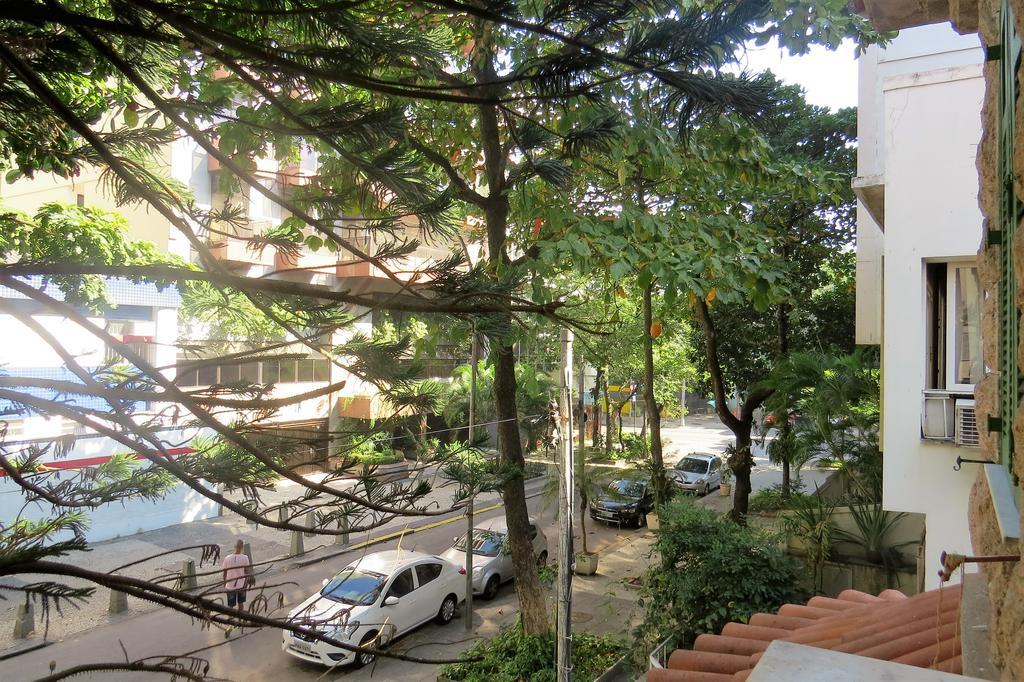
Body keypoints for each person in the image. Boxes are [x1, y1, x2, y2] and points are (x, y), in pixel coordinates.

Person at [222, 539, 251, 610]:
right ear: (242, 547)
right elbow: (247, 572)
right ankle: (241, 618)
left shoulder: (227, 558)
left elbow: (224, 573)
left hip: (230, 585)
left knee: (230, 606)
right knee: (241, 604)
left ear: (234, 546)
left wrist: (224, 584)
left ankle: (230, 619)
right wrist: (245, 585)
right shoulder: (245, 558)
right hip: (241, 585)